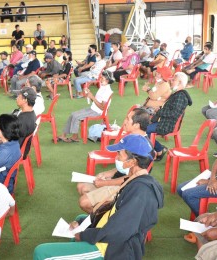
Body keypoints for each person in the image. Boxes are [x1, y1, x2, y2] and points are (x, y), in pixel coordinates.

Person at [34, 134, 163, 260]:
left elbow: (119, 232)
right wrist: (81, 225)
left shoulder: (141, 192)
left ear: (132, 162)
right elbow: (114, 213)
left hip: (110, 250)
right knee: (81, 219)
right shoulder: (135, 179)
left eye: (119, 154)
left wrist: (83, 235)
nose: (116, 158)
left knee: (41, 252)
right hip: (108, 236)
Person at [76, 109, 151, 213]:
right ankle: (100, 218)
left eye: (128, 119)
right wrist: (107, 173)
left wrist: (105, 183)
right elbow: (125, 167)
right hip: (118, 182)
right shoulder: (131, 138)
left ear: (137, 125)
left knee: (84, 202)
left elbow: (133, 177)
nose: (124, 121)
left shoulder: (144, 148)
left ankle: (103, 221)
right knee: (81, 187)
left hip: (124, 189)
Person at [146, 72, 192, 161]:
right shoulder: (178, 94)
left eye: (174, 80)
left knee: (143, 130)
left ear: (180, 83)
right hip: (164, 121)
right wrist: (159, 109)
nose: (171, 81)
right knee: (143, 125)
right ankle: (158, 149)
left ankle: (158, 150)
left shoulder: (180, 96)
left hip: (167, 124)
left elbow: (174, 113)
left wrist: (159, 111)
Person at [57, 71, 113, 143]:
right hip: (93, 108)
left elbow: (103, 108)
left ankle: (75, 137)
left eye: (102, 78)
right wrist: (89, 94)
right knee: (73, 114)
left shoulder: (107, 91)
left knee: (76, 116)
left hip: (97, 111)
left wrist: (92, 97)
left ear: (107, 80)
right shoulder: (103, 87)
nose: (100, 79)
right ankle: (64, 135)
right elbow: (97, 101)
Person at [13, 87, 37, 159]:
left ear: (25, 100)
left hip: (16, 152)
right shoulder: (31, 113)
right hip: (20, 148)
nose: (16, 98)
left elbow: (14, 140)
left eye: (18, 96)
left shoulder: (23, 120)